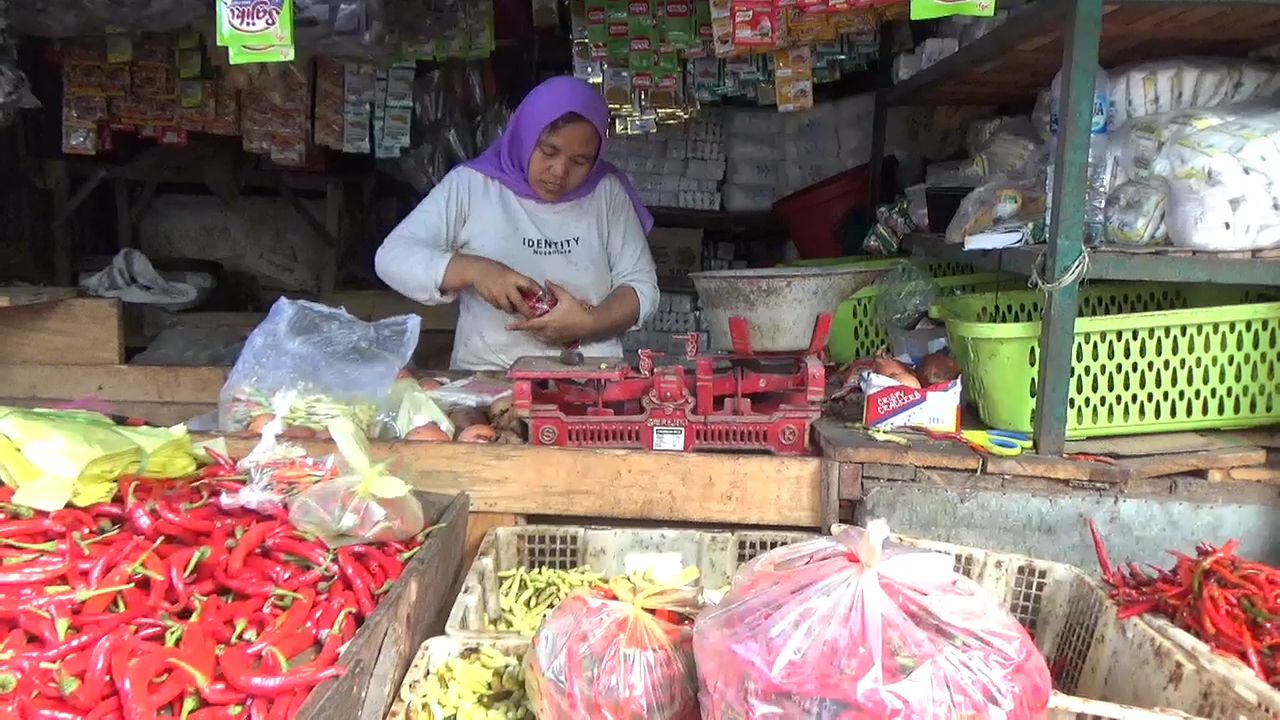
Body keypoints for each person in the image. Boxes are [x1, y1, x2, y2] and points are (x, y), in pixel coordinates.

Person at [375, 76, 659, 371]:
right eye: (548, 151)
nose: (559, 171)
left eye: (580, 161)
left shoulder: (606, 192)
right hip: (489, 377)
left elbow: (641, 285)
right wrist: (476, 270)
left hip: (590, 376)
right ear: (525, 135)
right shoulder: (472, 186)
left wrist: (590, 323)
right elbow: (391, 257)